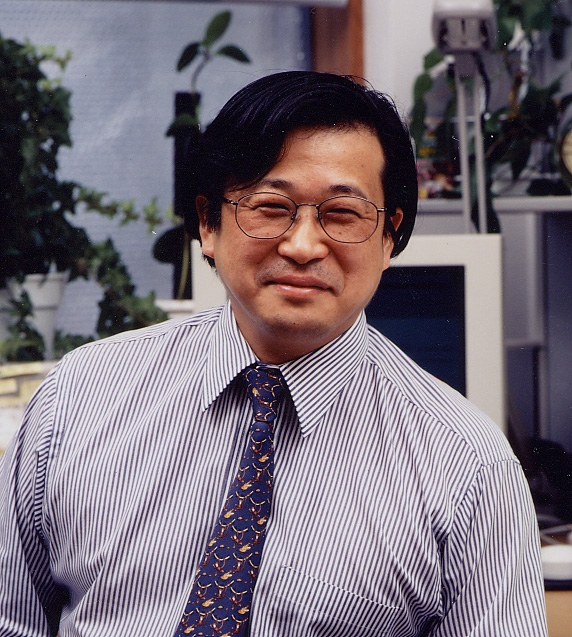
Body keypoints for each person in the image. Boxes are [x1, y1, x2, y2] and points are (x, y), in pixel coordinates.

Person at [0, 71, 547, 636]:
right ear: (208, 223)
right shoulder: (79, 398)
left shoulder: (467, 466)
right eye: (270, 206)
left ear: (389, 236)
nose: (304, 245)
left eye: (342, 214)